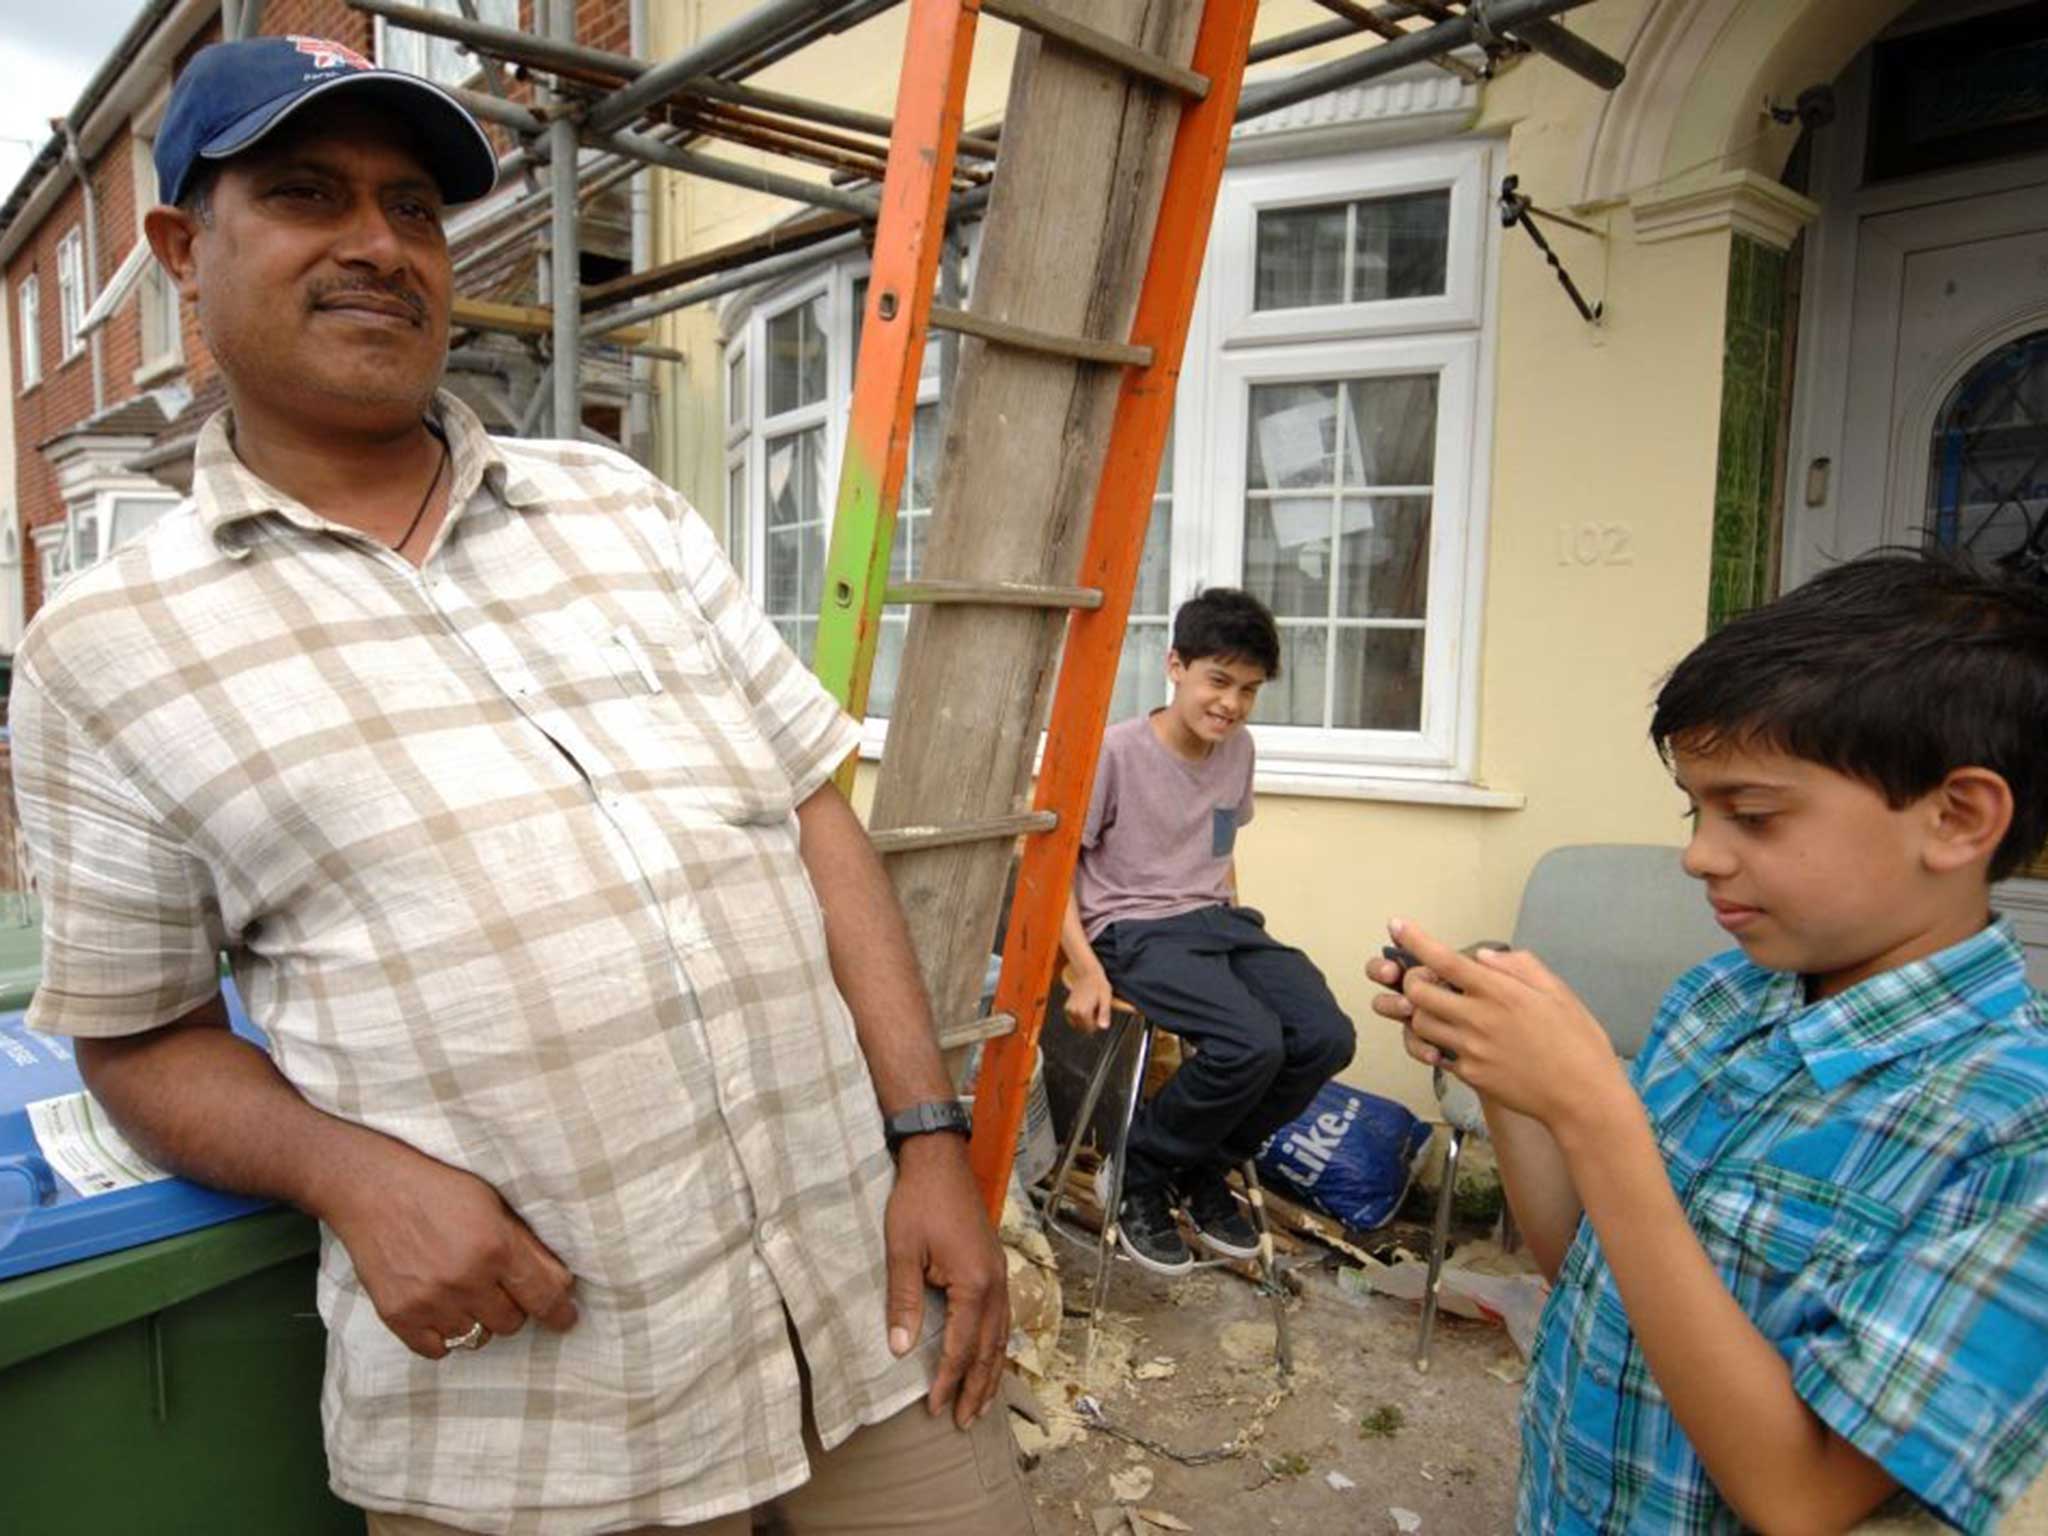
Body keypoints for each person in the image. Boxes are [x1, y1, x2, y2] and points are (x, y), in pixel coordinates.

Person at [10, 36, 1031, 1536]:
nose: (377, 245)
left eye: (412, 206)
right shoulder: (106, 651)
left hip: (866, 1316)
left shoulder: (620, 509)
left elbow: (814, 820)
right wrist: (350, 1176)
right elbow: (139, 1035)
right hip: (539, 1414)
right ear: (183, 248)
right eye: (307, 195)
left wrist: (929, 1141)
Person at [1369, 549, 2048, 1534]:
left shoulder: (2011, 1131)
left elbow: (1800, 1495)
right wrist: (1509, 1078)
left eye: (1752, 814)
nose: (1697, 853)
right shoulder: (1719, 1000)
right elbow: (1592, 1274)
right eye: (1694, 807)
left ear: (1955, 818)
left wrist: (1593, 1105)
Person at [1059, 588, 1355, 1275]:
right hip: (1131, 928)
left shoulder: (1238, 749)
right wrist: (1084, 968)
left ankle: (1197, 1170)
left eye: (1249, 690)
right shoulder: (1117, 753)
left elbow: (1220, 848)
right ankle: (1136, 1167)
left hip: (1217, 922)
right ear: (1175, 667)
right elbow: (1050, 867)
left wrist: (1235, 934)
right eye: (1218, 681)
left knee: (1323, 1037)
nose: (1232, 704)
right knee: (1248, 1043)